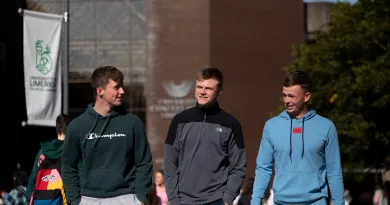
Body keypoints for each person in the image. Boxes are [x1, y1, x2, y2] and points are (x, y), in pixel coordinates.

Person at [62, 66, 153, 205]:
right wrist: (75, 201)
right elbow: (69, 166)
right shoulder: (77, 126)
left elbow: (144, 162)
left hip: (126, 197)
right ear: (100, 91)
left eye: (122, 86)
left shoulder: (132, 123)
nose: (122, 91)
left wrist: (140, 197)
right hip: (89, 199)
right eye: (116, 87)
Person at [251, 71, 345, 205]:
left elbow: (334, 170)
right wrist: (255, 201)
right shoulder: (271, 126)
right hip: (281, 202)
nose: (287, 101)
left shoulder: (326, 127)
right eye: (284, 95)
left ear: (306, 97)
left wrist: (339, 202)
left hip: (316, 202)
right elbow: (263, 168)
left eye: (292, 96)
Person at [164, 67, 246, 205]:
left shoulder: (231, 124)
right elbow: (170, 162)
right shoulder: (179, 120)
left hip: (217, 200)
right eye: (199, 87)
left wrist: (228, 198)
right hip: (183, 200)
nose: (202, 92)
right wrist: (173, 198)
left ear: (219, 91)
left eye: (208, 88)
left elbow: (238, 166)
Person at [25, 114, 71, 203]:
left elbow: (33, 176)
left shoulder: (42, 151)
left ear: (57, 129)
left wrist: (28, 197)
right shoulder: (70, 151)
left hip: (39, 200)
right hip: (61, 200)